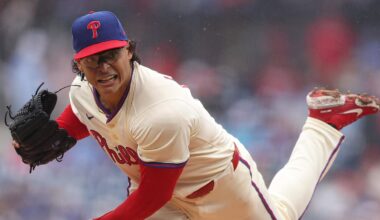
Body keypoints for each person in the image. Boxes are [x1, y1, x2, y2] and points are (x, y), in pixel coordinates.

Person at [12, 11, 380, 220]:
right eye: (93, 58)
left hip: (218, 189)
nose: (104, 65)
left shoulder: (160, 111)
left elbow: (152, 197)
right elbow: (81, 123)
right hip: (158, 194)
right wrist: (45, 140)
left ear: (130, 52)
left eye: (111, 54)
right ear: (78, 64)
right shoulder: (80, 92)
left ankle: (322, 123)